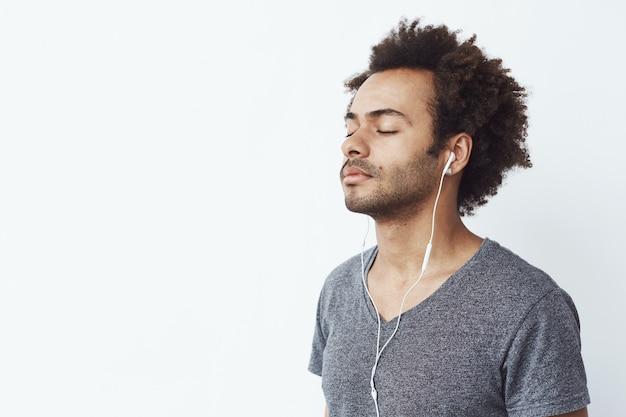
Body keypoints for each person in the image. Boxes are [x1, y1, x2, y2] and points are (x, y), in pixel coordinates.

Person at [308, 18, 590, 417]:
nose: (351, 144)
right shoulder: (339, 290)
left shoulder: (526, 306)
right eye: (351, 127)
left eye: (385, 127)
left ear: (453, 154)